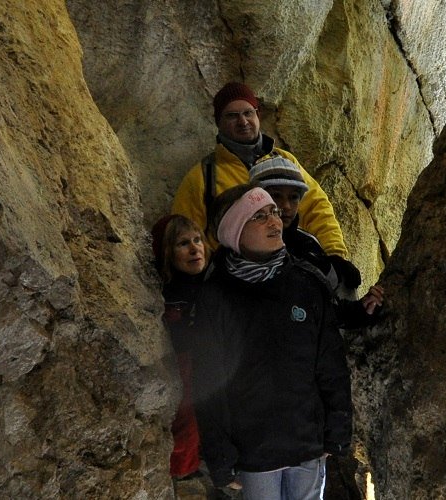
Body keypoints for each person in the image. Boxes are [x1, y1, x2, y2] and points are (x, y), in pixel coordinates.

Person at [187, 185, 353, 500]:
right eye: (259, 217)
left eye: (274, 212)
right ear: (235, 231)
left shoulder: (306, 283)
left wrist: (337, 434)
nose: (274, 222)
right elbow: (208, 386)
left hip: (307, 444)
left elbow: (331, 365)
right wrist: (222, 458)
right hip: (253, 455)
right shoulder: (216, 297)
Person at [171, 82, 350, 261]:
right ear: (218, 122)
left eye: (248, 113)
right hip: (236, 279)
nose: (243, 122)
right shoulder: (203, 176)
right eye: (232, 116)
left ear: (258, 115)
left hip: (295, 267)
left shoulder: (284, 161)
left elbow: (316, 207)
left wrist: (335, 255)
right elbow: (183, 235)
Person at [249, 157, 385, 329]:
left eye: (294, 197)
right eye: (276, 196)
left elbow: (328, 308)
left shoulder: (308, 247)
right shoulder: (240, 251)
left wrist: (363, 308)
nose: (286, 206)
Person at [150, 215, 213, 493]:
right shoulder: (163, 291)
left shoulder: (214, 284)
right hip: (181, 365)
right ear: (167, 253)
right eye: (183, 243)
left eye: (198, 240)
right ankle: (182, 472)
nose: (194, 248)